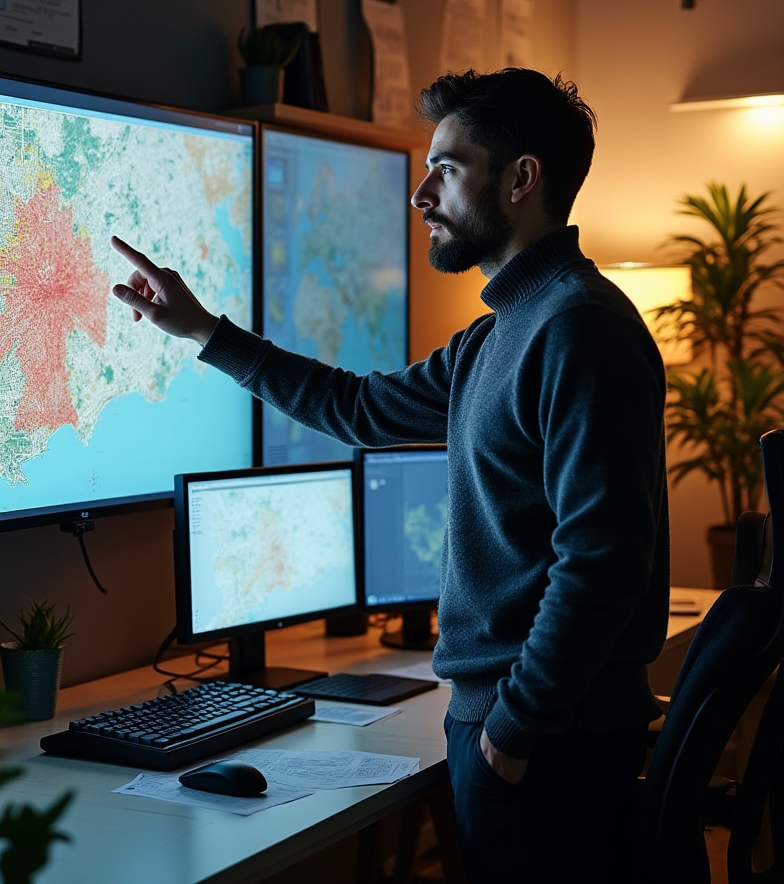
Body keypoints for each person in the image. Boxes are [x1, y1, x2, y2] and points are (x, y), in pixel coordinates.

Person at [109, 68, 670, 884]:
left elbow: (602, 561)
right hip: (523, 727)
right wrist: (200, 329)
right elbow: (360, 410)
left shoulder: (577, 330)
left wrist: (514, 729)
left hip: (551, 741)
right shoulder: (499, 335)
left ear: (521, 180)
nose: (421, 193)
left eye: (447, 167)